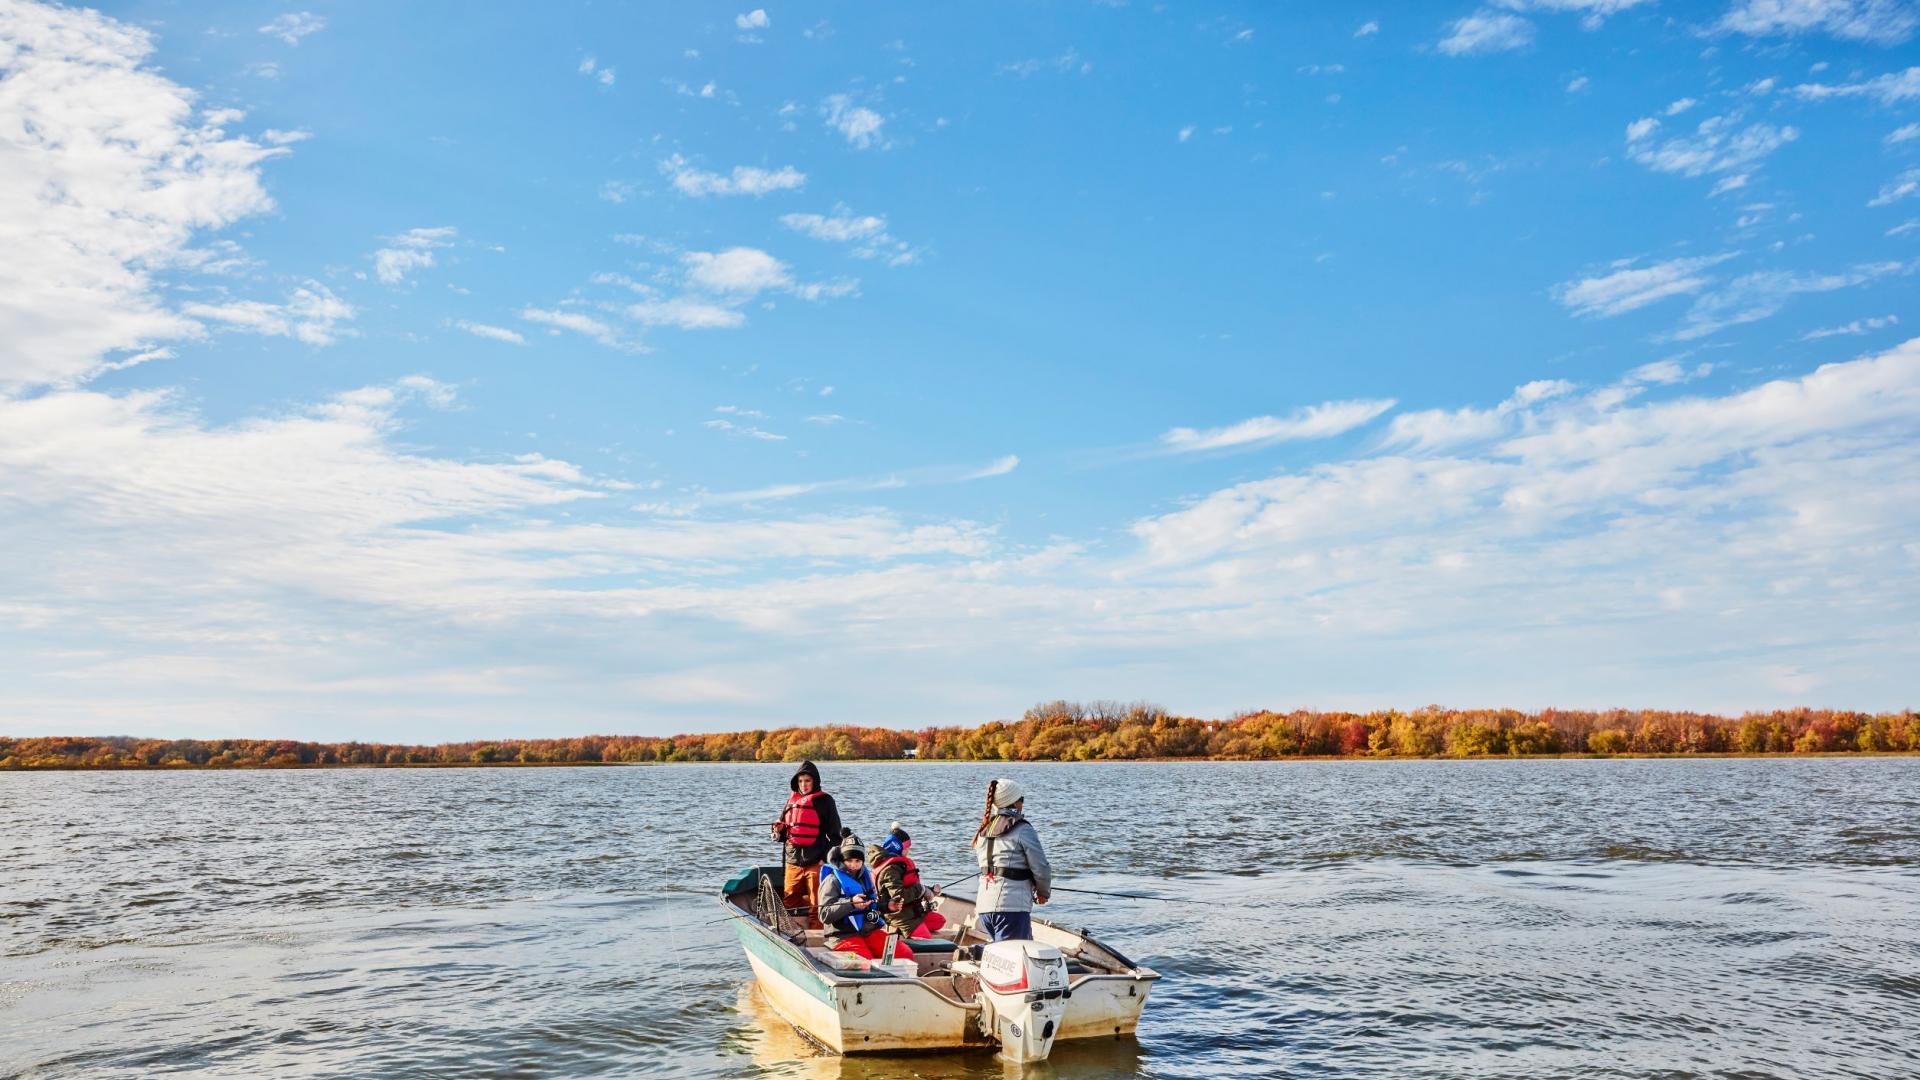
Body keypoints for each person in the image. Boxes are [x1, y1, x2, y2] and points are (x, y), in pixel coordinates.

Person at [970, 777, 1051, 942]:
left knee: (1002, 953)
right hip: (1011, 908)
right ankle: (975, 953)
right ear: (1015, 803)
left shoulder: (984, 829)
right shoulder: (1023, 829)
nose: (1023, 804)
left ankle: (978, 954)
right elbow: (1041, 867)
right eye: (1022, 800)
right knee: (1014, 956)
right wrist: (1043, 892)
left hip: (984, 906)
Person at [818, 832, 915, 962]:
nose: (853, 865)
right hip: (843, 935)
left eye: (858, 861)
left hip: (868, 931)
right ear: (842, 860)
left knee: (905, 954)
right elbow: (824, 914)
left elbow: (873, 902)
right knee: (864, 962)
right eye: (849, 860)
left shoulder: (864, 877)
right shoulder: (832, 880)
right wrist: (851, 902)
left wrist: (888, 906)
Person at [770, 760, 842, 930]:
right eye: (801, 781)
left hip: (816, 861)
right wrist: (779, 832)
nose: (804, 784)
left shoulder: (825, 801)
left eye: (807, 780)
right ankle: (791, 933)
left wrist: (824, 859)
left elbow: (835, 836)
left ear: (815, 781)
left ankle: (817, 935)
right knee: (789, 900)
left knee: (816, 903)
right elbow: (782, 835)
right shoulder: (791, 801)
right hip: (792, 861)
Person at [868, 822, 946, 940]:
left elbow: (909, 885)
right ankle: (899, 929)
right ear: (897, 847)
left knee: (939, 921)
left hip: (912, 910)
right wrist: (921, 890)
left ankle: (909, 930)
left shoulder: (898, 864)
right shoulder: (890, 869)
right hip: (899, 916)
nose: (908, 851)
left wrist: (930, 890)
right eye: (906, 848)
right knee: (927, 941)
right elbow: (899, 896)